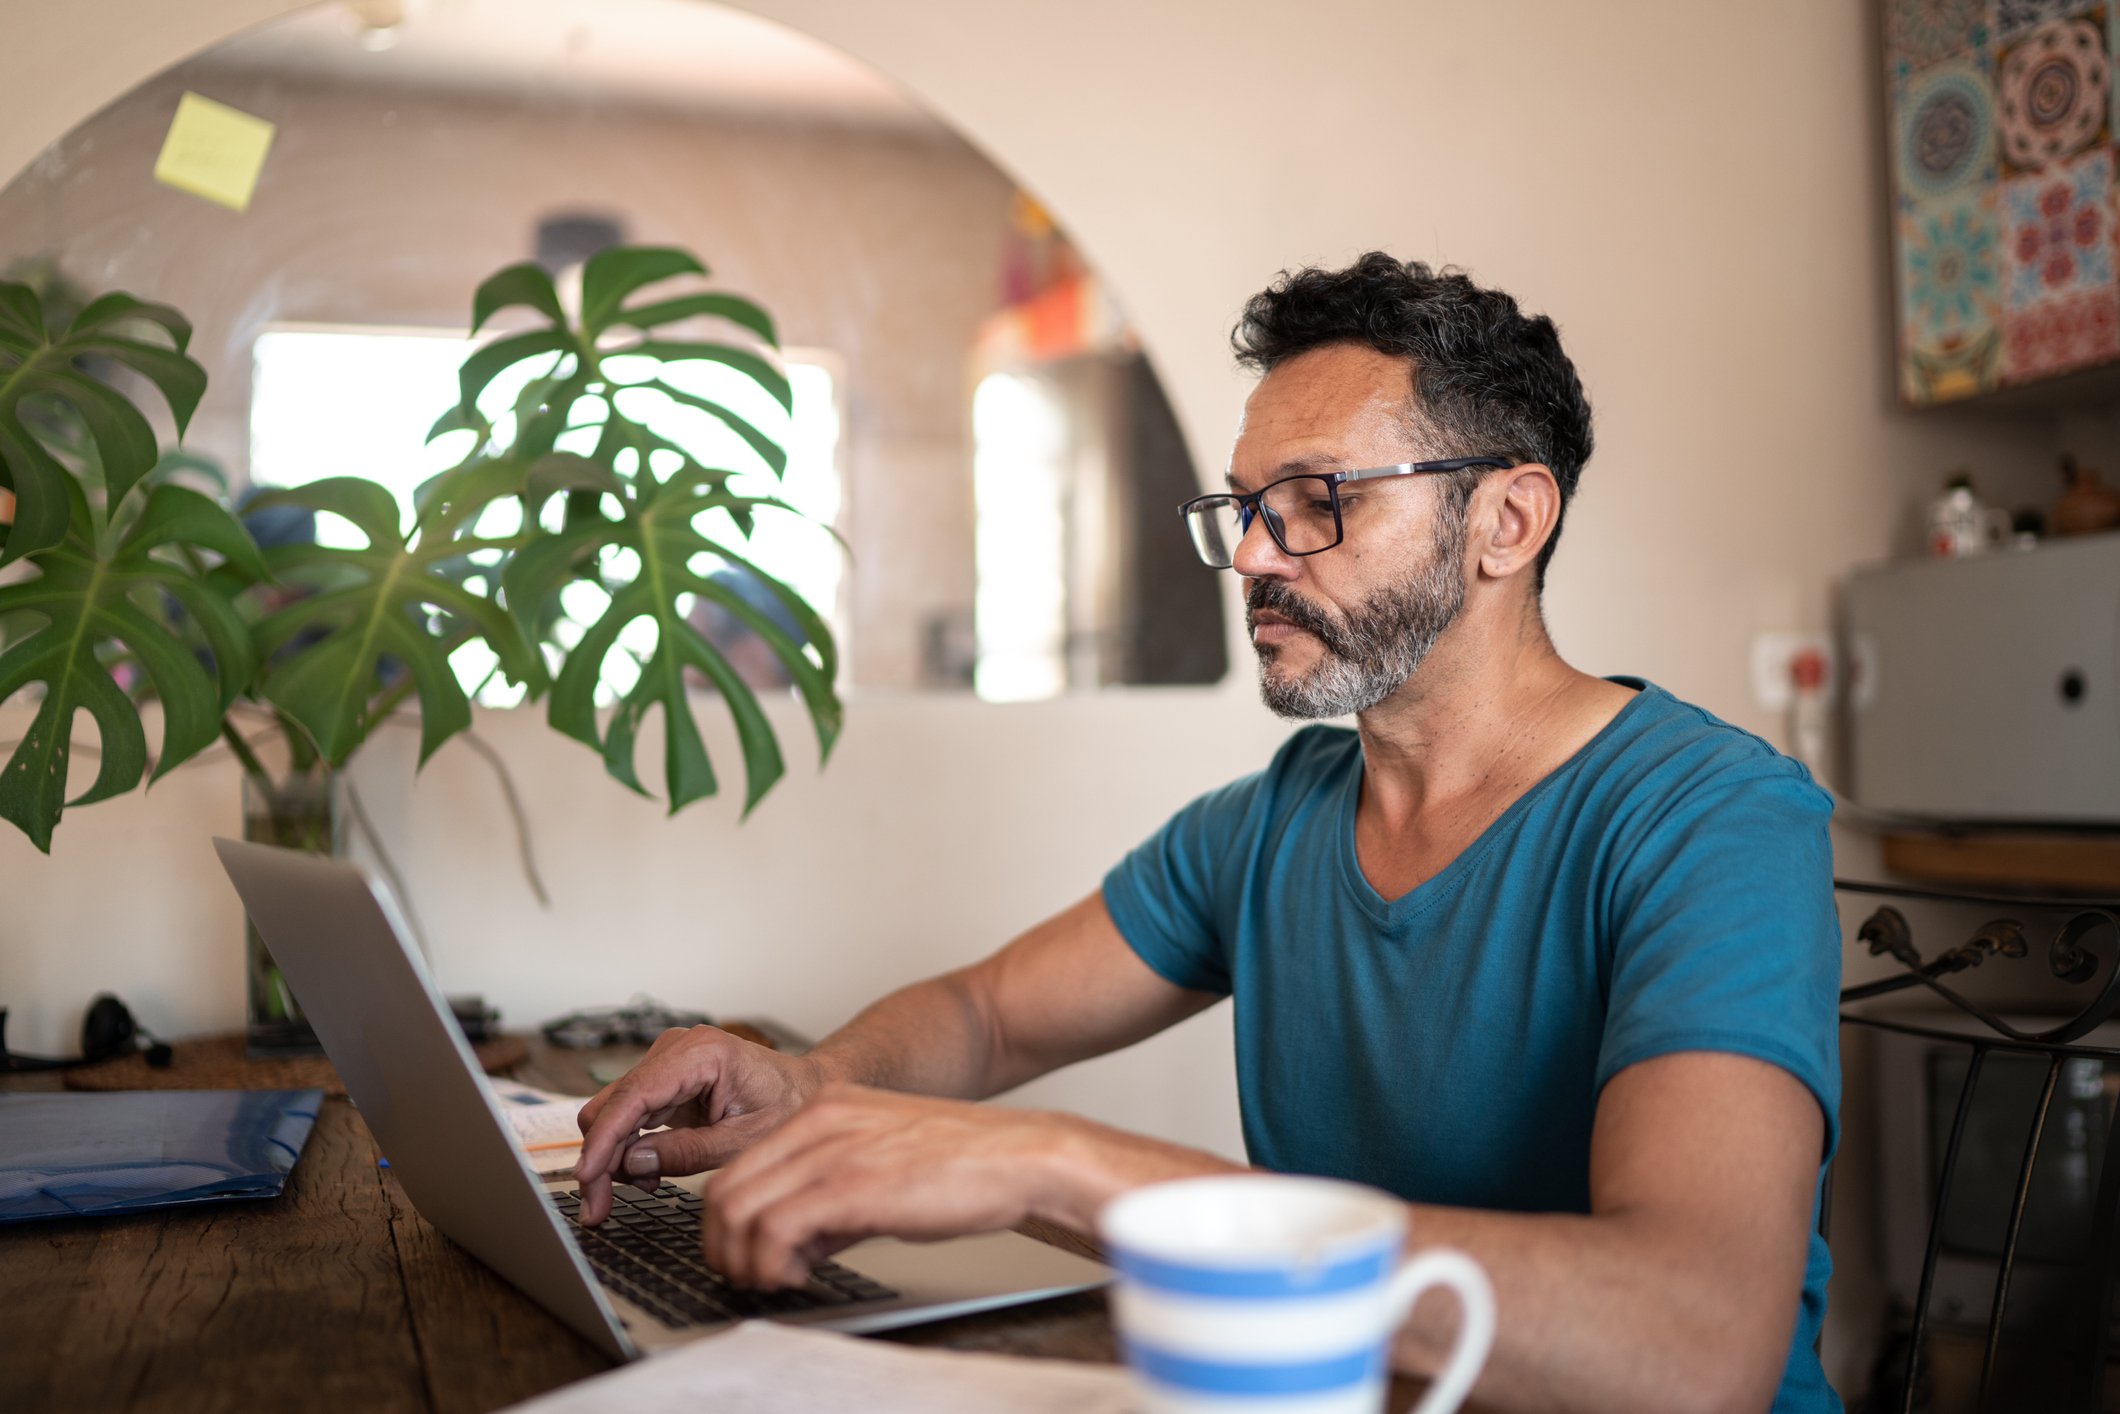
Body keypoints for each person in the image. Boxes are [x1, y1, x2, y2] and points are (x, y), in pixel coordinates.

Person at [573, 253, 1842, 1414]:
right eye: (1242, 507)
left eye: (1312, 500)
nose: (1250, 556)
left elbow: (1694, 1340)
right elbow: (990, 1015)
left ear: (1506, 522)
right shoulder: (1274, 821)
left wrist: (1053, 1166)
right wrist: (814, 1082)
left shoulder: (1711, 824)